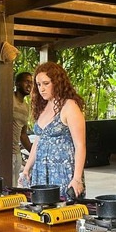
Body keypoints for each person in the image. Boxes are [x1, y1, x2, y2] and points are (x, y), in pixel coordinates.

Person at [19, 62, 86, 198]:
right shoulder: (43, 107)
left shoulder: (69, 106)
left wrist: (77, 178)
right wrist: (26, 169)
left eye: (46, 83)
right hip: (41, 171)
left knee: (62, 212)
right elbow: (37, 142)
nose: (41, 89)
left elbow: (80, 145)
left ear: (57, 83)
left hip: (63, 172)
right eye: (38, 85)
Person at [12, 72, 33, 184]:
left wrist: (33, 152)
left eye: (31, 82)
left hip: (16, 154)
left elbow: (23, 134)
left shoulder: (25, 107)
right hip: (5, 153)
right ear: (17, 83)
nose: (29, 85)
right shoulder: (9, 100)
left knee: (13, 187)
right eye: (26, 81)